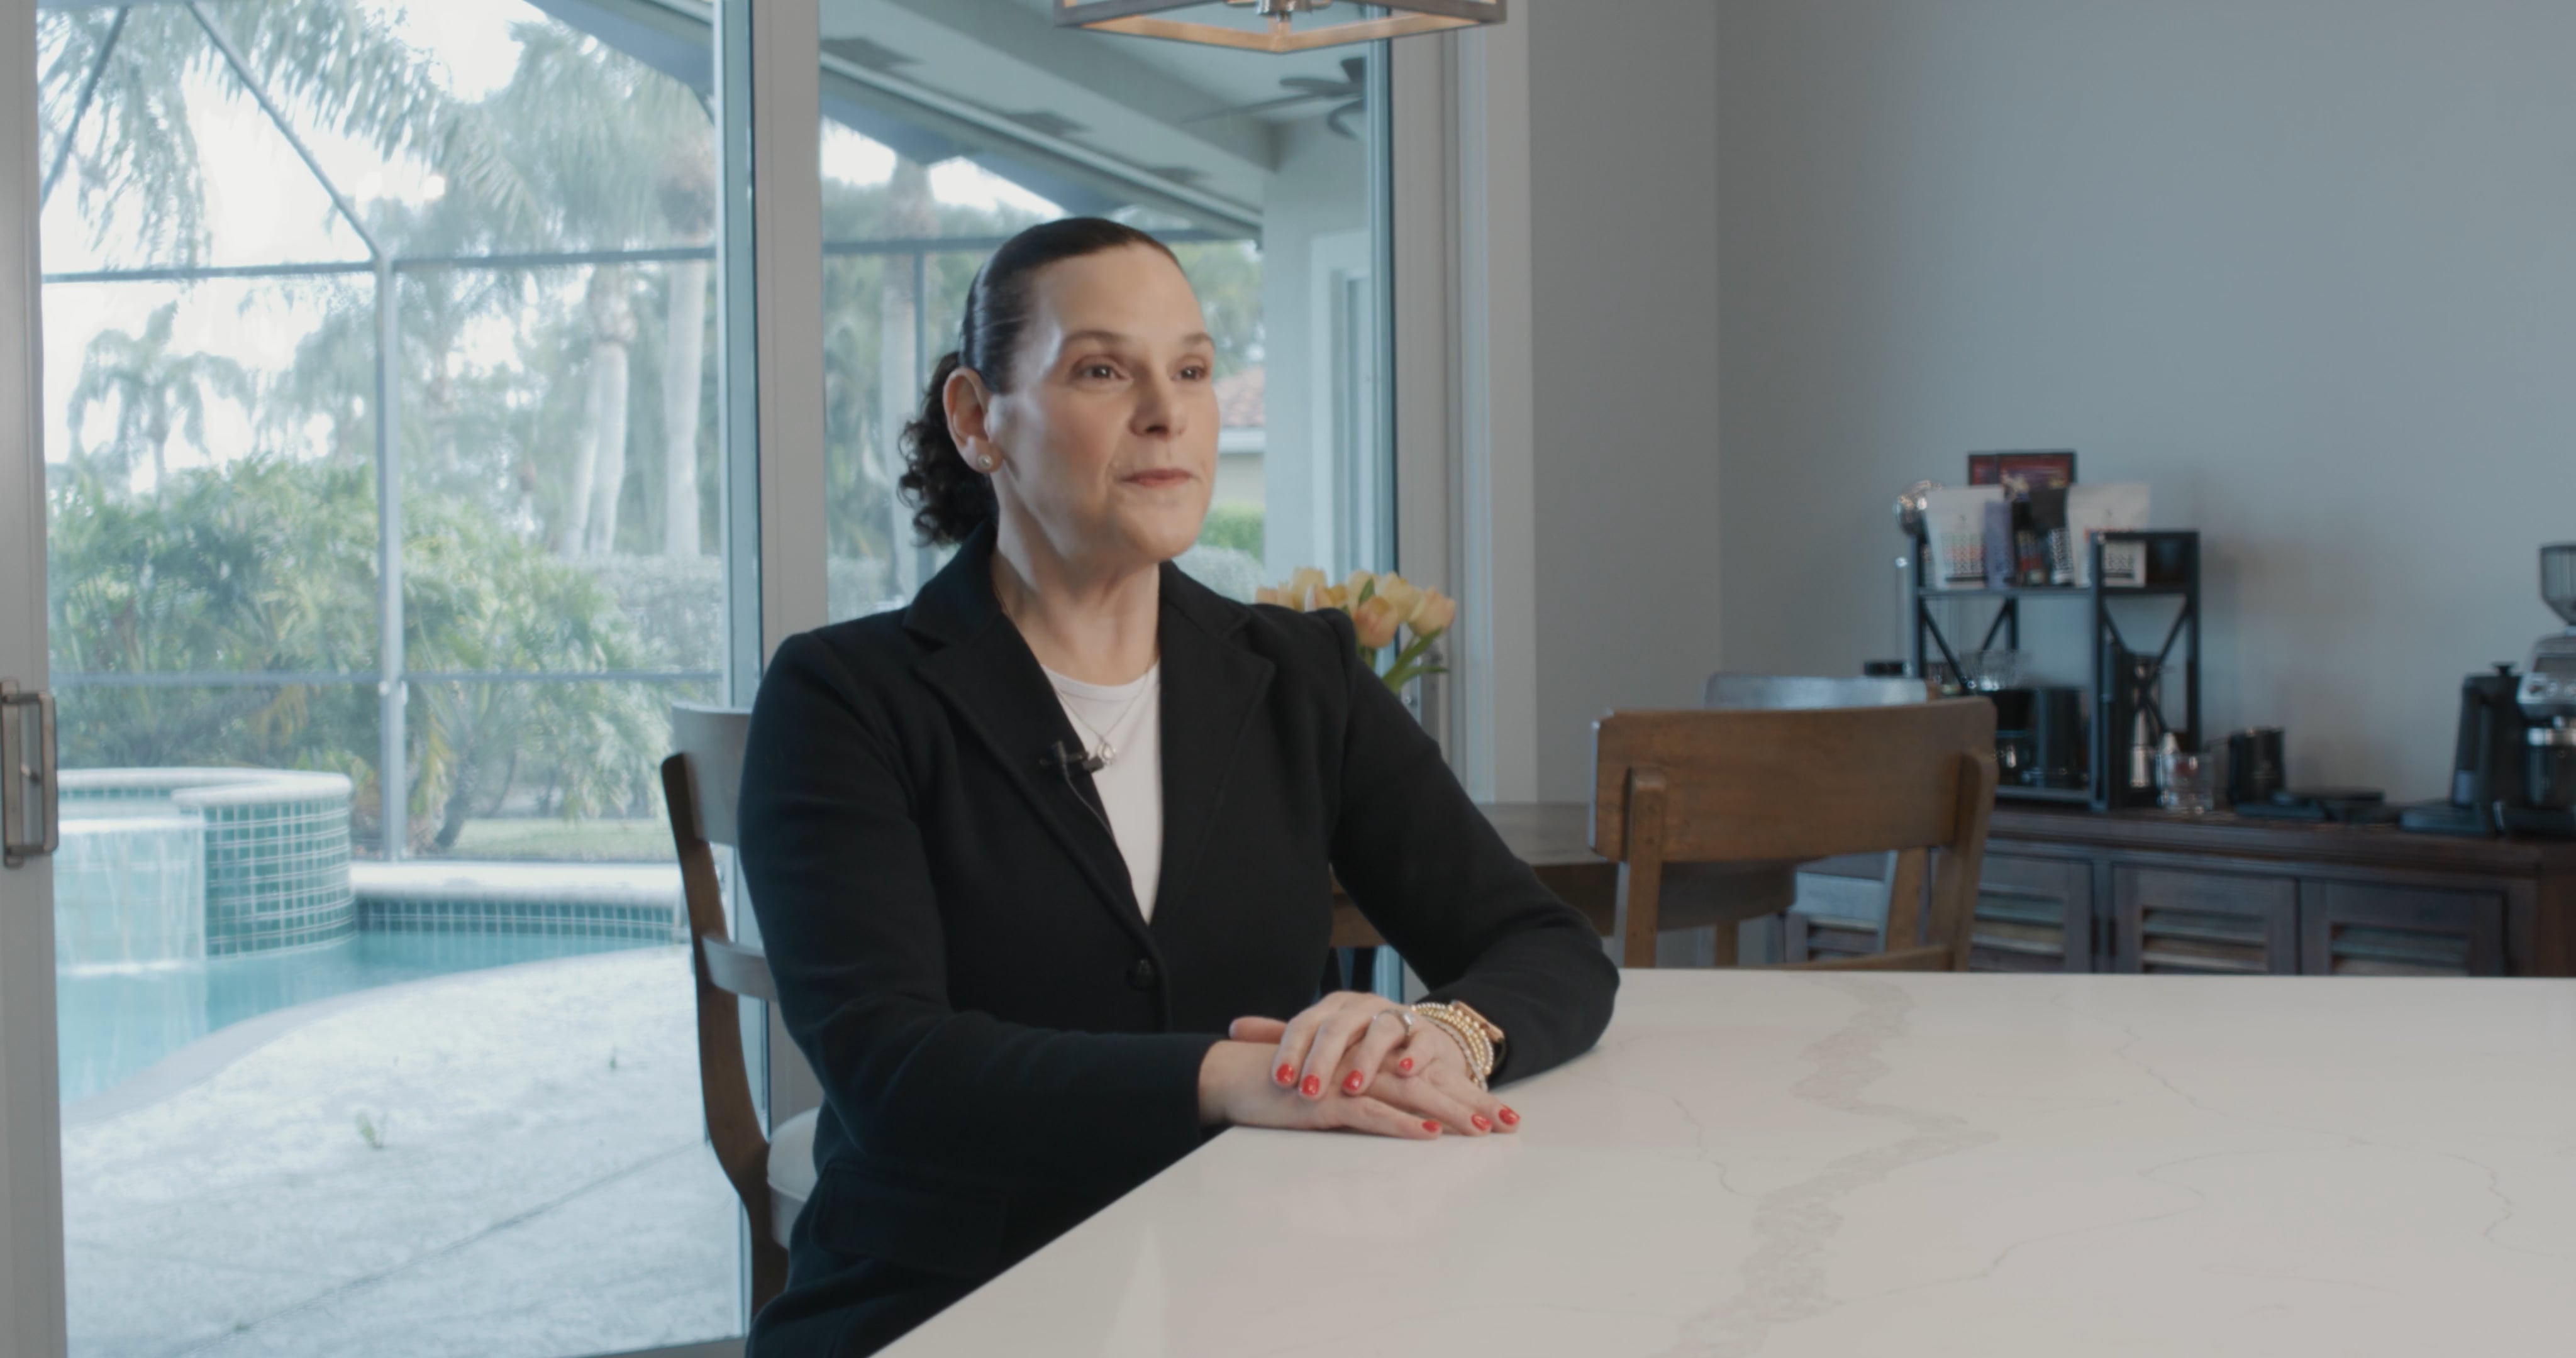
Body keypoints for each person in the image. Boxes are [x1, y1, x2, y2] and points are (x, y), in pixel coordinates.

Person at [736, 217, 1618, 1356]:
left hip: (1261, 1293)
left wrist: (1433, 1032)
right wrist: (1246, 1076)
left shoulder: (1304, 673)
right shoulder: (845, 696)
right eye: (1104, 370)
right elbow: (895, 1070)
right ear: (976, 419)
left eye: (1192, 371)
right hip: (945, 1308)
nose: (1168, 412)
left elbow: (1545, 948)